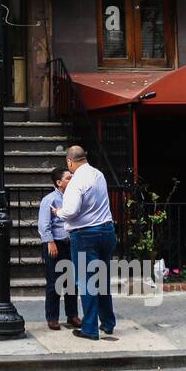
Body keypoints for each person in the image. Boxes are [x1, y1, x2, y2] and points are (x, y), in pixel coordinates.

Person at [52, 145, 117, 341]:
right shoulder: (99, 174)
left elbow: (71, 210)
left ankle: (89, 328)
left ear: (69, 162)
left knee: (87, 282)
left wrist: (58, 212)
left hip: (85, 235)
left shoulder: (76, 181)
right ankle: (107, 323)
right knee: (102, 280)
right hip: (107, 231)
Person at [38, 166, 80, 330]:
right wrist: (50, 242)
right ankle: (52, 317)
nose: (72, 180)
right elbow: (43, 224)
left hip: (71, 243)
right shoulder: (49, 200)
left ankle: (72, 315)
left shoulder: (73, 198)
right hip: (56, 243)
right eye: (68, 178)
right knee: (54, 282)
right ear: (59, 182)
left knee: (71, 282)